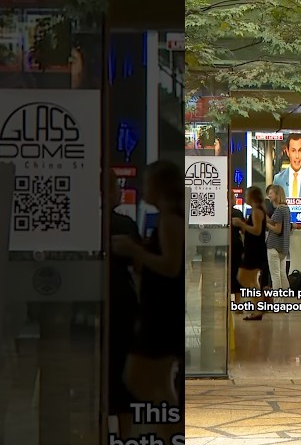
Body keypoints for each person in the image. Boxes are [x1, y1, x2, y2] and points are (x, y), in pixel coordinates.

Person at [111, 160, 184, 443]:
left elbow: (171, 265)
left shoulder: (170, 219)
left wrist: (135, 251)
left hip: (162, 314)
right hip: (160, 310)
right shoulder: (168, 218)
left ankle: (171, 431)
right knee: (152, 379)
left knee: (140, 376)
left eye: (148, 183)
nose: (143, 189)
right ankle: (169, 432)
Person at [108, 170, 142, 438]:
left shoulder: (86, 222)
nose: (120, 189)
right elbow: (139, 267)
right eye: (115, 185)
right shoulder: (125, 225)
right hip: (122, 304)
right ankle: (126, 435)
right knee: (124, 374)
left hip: (99, 306)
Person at [232, 186, 268, 321]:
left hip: (255, 251)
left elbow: (257, 231)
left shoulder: (257, 211)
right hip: (252, 249)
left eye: (247, 195)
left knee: (244, 278)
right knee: (248, 279)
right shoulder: (257, 211)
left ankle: (258, 307)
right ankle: (258, 307)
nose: (245, 198)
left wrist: (242, 224)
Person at [265, 185, 291, 298]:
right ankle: (285, 300)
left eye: (271, 193)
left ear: (276, 194)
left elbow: (277, 229)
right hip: (283, 247)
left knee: (275, 275)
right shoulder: (285, 208)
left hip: (274, 245)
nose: (269, 196)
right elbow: (276, 223)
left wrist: (265, 224)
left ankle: (277, 302)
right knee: (282, 273)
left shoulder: (279, 210)